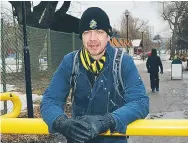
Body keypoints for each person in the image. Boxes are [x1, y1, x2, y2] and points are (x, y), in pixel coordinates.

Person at [40, 7, 149, 143]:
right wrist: (60, 122)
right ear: (81, 36)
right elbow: (50, 99)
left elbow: (140, 102)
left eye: (99, 32)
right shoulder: (71, 61)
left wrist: (109, 120)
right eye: (87, 32)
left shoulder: (123, 62)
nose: (93, 38)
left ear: (108, 36)